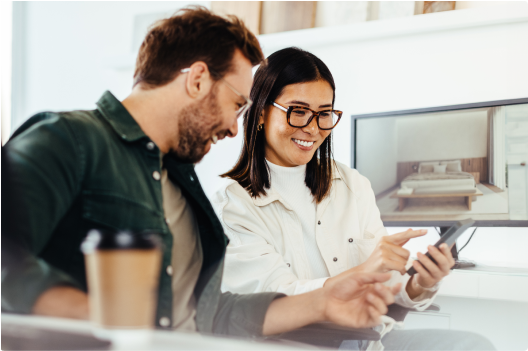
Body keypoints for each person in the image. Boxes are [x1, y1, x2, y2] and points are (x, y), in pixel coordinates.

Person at [1, 7, 400, 339]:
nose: (233, 127)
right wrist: (104, 322)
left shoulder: (182, 185)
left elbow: (208, 314)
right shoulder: (70, 139)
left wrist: (323, 301)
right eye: (236, 103)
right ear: (196, 80)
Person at [213, 47, 496, 350]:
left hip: (368, 341)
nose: (312, 127)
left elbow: (382, 285)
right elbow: (277, 299)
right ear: (262, 112)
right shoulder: (232, 205)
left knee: (473, 344)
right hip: (293, 345)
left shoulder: (352, 185)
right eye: (298, 111)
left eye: (324, 114)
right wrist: (365, 269)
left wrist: (418, 283)